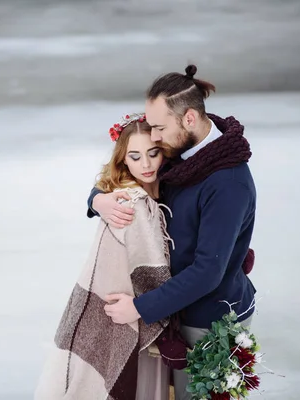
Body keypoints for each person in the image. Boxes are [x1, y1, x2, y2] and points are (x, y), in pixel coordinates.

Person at [87, 65, 258, 400]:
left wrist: (139, 308)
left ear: (189, 119)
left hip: (210, 320)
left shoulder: (228, 183)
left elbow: (208, 272)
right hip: (175, 310)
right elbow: (124, 172)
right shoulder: (180, 152)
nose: (153, 137)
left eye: (159, 128)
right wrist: (99, 200)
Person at [34, 113, 174, 400]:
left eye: (153, 153)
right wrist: (97, 200)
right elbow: (147, 274)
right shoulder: (129, 204)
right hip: (130, 313)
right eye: (135, 157)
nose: (146, 165)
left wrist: (96, 199)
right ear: (124, 161)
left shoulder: (168, 188)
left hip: (144, 310)